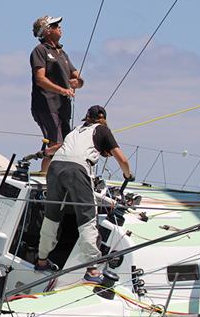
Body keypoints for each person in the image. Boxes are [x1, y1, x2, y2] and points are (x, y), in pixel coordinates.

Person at [35, 105, 133, 282]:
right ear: (103, 118)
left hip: (55, 168)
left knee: (52, 215)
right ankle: (92, 269)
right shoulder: (103, 130)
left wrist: (43, 153)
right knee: (87, 218)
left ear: (86, 117)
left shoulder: (76, 130)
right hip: (78, 170)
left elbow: (57, 147)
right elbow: (122, 159)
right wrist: (128, 174)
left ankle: (41, 261)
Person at [30, 15, 84, 172]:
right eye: (54, 25)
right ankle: (45, 176)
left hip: (63, 107)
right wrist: (63, 90)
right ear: (47, 31)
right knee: (55, 144)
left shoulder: (62, 53)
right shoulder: (40, 51)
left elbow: (77, 77)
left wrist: (78, 83)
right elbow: (40, 79)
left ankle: (56, 176)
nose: (59, 27)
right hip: (46, 105)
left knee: (66, 145)